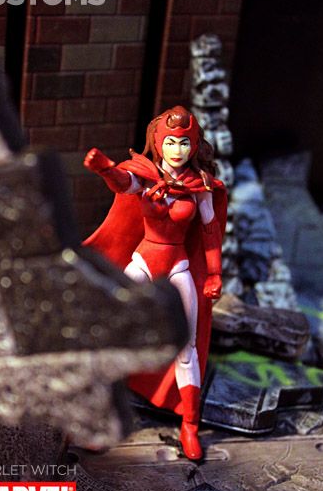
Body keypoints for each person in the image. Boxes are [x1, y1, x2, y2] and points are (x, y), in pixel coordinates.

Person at [83, 105, 227, 460]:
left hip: (177, 267)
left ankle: (190, 426)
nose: (177, 150)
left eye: (184, 142)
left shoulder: (199, 186)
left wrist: (214, 272)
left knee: (186, 346)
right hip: (144, 262)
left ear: (194, 145)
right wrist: (105, 169)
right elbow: (125, 183)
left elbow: (210, 231)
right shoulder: (147, 176)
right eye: (171, 142)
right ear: (158, 142)